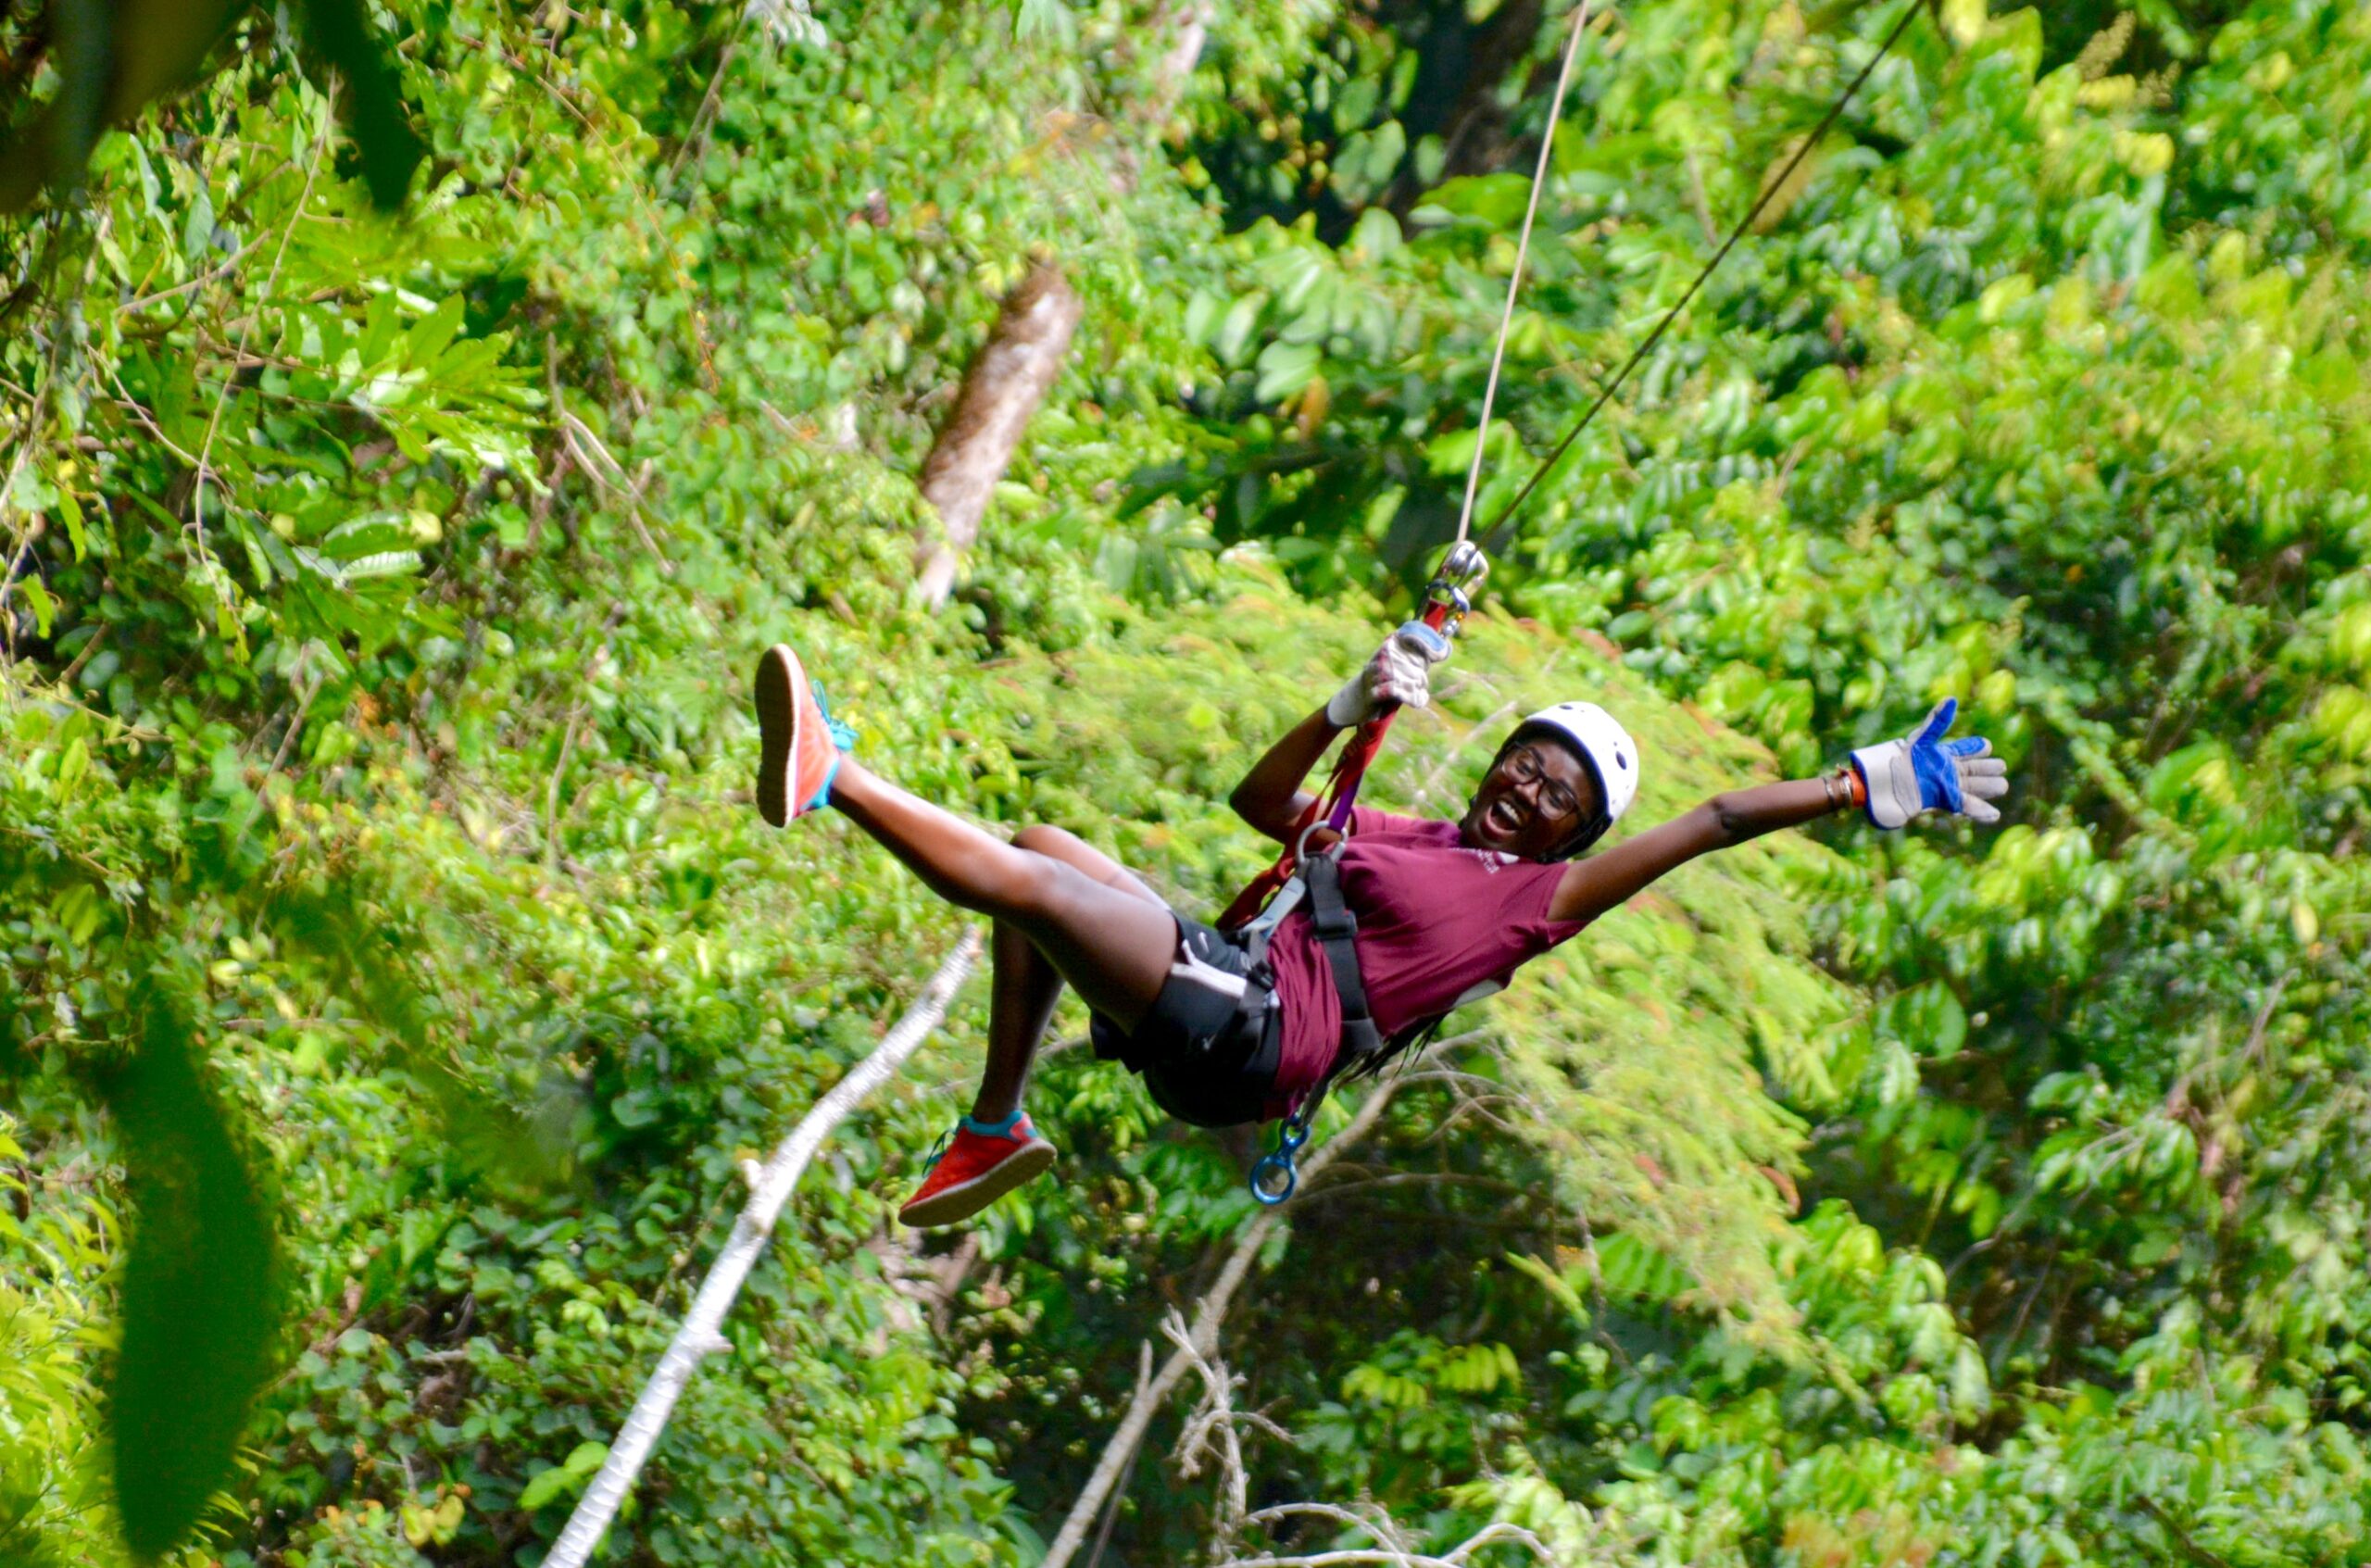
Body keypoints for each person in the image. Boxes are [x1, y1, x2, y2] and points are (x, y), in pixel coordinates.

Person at [753, 630, 2008, 1228]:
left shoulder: (1534, 908)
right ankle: (993, 1125)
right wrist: (1346, 703)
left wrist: (1857, 784)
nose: (1525, 788)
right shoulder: (1401, 834)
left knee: (1030, 892)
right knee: (1039, 851)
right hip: (1230, 972)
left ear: (1571, 840)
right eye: (1526, 764)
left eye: (1556, 798)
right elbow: (1257, 803)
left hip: (1254, 1035)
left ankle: (836, 779)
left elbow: (1720, 816)